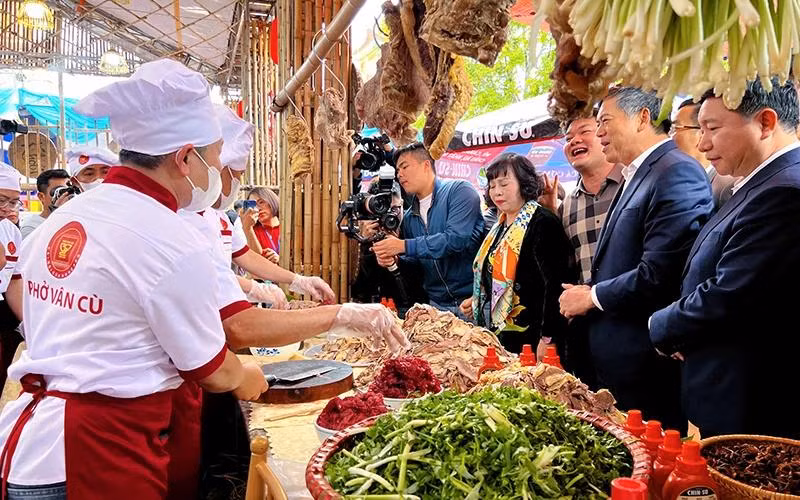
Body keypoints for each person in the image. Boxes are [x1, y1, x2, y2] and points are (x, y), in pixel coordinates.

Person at [0, 59, 267, 500]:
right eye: (214, 161)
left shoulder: (67, 217)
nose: (216, 177)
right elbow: (213, 370)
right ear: (185, 158)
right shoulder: (169, 237)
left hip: (29, 448)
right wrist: (247, 376)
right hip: (97, 457)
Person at [650, 79, 800, 440]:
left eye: (712, 129)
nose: (701, 144)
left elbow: (732, 294)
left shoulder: (784, 191)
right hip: (727, 387)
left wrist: (663, 325)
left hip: (754, 401)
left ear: (765, 122)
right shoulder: (757, 183)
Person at [558, 87, 714, 431]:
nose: (599, 133)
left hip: (646, 365)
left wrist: (591, 297)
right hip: (617, 362)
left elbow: (662, 272)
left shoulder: (675, 171)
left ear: (643, 117)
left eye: (604, 122)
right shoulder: (638, 174)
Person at [210, 104, 335, 305]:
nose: (238, 183)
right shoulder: (183, 217)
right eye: (238, 175)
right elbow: (206, 278)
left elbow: (247, 256)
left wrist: (297, 280)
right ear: (220, 169)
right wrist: (254, 287)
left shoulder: (219, 217)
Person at [459, 153, 574, 354]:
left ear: (524, 184)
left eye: (504, 184)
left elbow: (556, 285)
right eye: (492, 186)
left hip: (535, 336)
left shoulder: (542, 222)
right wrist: (478, 296)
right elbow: (496, 271)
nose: (497, 192)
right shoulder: (500, 225)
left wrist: (548, 338)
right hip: (505, 336)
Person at [539, 113, 623, 387]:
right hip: (585, 329)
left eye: (584, 131)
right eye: (568, 137)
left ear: (604, 134)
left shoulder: (633, 187)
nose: (575, 140)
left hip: (630, 322)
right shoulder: (567, 207)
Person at [373, 143, 485, 318]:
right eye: (397, 170)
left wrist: (403, 245)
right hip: (437, 306)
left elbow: (456, 239)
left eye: (404, 166)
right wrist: (395, 259)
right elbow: (417, 264)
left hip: (472, 303)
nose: (399, 174)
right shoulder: (409, 217)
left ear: (426, 165)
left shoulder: (459, 191)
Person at [351, 178, 427, 312]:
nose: (391, 216)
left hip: (411, 308)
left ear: (402, 204)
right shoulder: (364, 232)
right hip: (374, 309)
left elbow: (423, 276)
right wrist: (365, 245)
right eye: (384, 211)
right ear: (372, 210)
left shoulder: (414, 223)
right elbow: (361, 289)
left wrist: (400, 252)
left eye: (395, 209)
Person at [671, 99, 737, 210]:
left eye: (676, 128)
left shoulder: (725, 188)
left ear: (701, 133)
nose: (671, 137)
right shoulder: (677, 179)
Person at [0, 163, 22, 390]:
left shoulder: (11, 231)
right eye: (1, 200)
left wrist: (27, 323)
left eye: (14, 202)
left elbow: (15, 280)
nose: (7, 209)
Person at [19, 169, 71, 239]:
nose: (65, 196)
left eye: (69, 191)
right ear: (41, 197)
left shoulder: (73, 219)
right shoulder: (31, 227)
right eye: (59, 192)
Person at [241, 186, 280, 261]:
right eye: (254, 205)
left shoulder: (289, 228)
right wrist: (247, 228)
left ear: (272, 201)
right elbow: (255, 261)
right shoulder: (252, 231)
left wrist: (281, 260)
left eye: (261, 202)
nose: (258, 208)